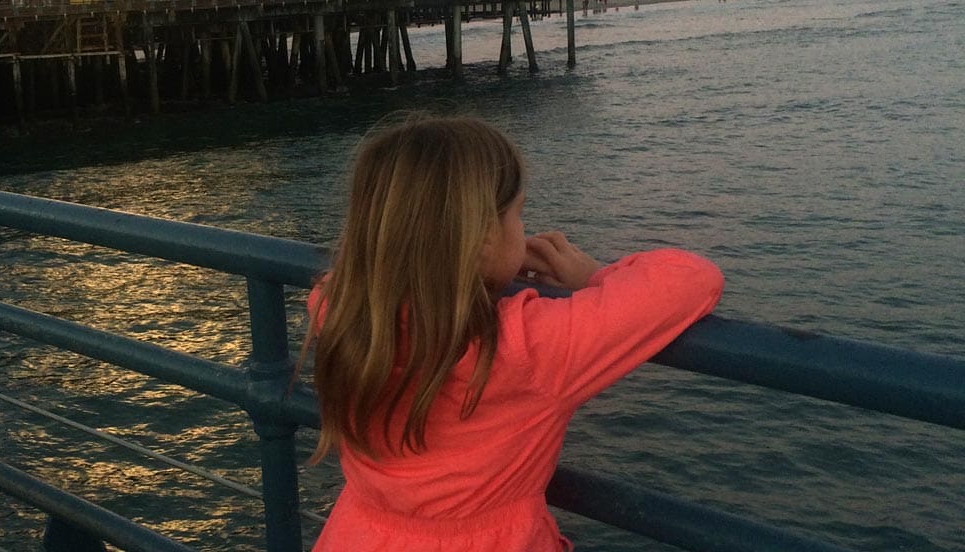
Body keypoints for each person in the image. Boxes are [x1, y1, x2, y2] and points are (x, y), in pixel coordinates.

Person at [304, 114, 723, 552]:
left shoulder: (342, 311)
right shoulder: (527, 348)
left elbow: (369, 277)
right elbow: (692, 277)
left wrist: (468, 269)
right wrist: (593, 275)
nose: (524, 232)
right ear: (482, 236)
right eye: (518, 215)